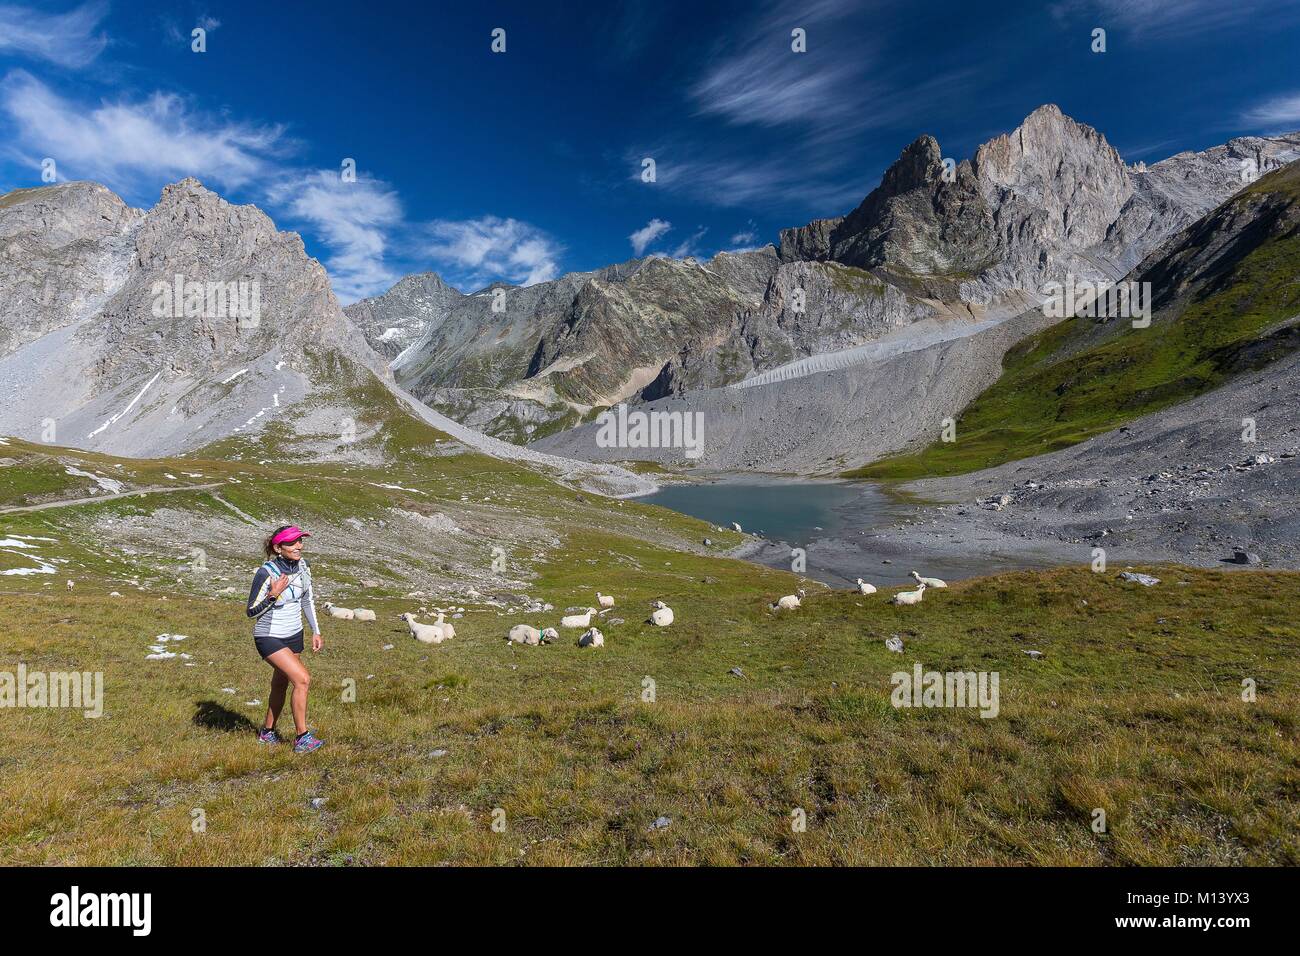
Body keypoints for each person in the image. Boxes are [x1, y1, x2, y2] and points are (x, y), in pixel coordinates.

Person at [246, 525, 324, 753]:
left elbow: (307, 600)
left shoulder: (304, 566)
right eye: (292, 543)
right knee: (302, 680)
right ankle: (303, 738)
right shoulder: (266, 573)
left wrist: (315, 631)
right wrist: (273, 594)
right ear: (278, 547)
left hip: (294, 634)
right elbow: (251, 611)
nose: (298, 546)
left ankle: (267, 733)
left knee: (280, 682)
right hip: (269, 635)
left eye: (300, 541)